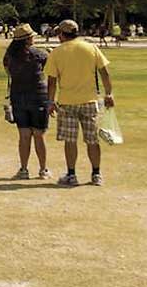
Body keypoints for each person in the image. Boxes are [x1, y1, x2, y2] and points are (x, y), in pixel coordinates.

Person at [45, 20, 115, 186]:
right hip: (89, 101)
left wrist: (50, 101)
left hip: (67, 102)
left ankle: (71, 174)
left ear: (62, 34)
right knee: (92, 140)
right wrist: (109, 94)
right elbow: (104, 73)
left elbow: (52, 81)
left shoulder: (57, 52)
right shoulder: (91, 47)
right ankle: (96, 174)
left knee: (70, 140)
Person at [3, 24, 51, 180]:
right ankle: (43, 170)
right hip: (38, 97)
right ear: (28, 39)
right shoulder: (39, 54)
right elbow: (48, 68)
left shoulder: (9, 56)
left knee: (24, 135)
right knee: (39, 135)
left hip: (18, 97)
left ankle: (23, 169)